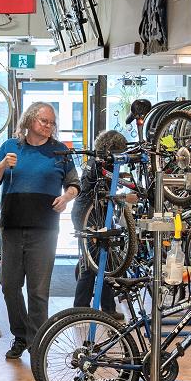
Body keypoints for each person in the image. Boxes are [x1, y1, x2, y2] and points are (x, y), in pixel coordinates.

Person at [0, 102, 81, 359]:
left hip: (45, 229)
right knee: (9, 286)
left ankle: (37, 342)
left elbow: (74, 183)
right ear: (29, 120)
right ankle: (20, 336)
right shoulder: (10, 146)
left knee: (38, 290)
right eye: (44, 121)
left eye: (52, 122)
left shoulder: (59, 151)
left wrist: (66, 198)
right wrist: (3, 164)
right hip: (12, 227)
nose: (49, 126)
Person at [72, 130, 128, 316]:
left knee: (101, 261)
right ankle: (85, 308)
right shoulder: (98, 164)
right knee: (94, 264)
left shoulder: (98, 161)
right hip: (88, 215)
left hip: (93, 213)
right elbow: (97, 189)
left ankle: (99, 307)